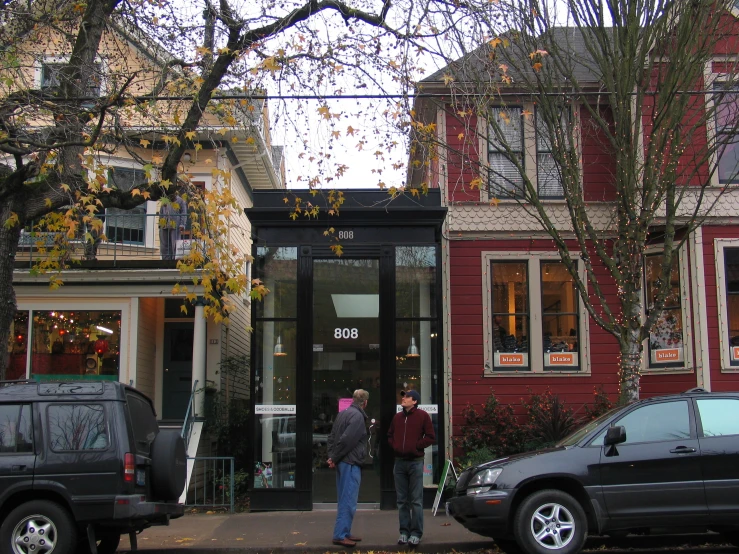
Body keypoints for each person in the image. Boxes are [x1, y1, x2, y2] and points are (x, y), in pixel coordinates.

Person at [387, 389, 436, 547]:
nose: (403, 398)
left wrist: (416, 446)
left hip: (415, 462)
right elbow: (390, 435)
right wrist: (395, 446)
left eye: (407, 396)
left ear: (414, 401)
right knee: (402, 500)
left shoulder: (423, 416)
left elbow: (430, 437)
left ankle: (416, 533)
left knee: (416, 500)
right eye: (403, 396)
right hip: (399, 462)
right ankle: (404, 532)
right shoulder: (397, 417)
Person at [327, 389, 369, 547]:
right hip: (350, 462)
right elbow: (347, 441)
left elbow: (332, 437)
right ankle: (340, 534)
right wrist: (335, 457)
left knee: (344, 497)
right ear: (365, 402)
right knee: (348, 499)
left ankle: (345, 531)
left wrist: (332, 456)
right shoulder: (358, 417)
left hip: (342, 461)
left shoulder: (342, 413)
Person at [158, 194, 188, 260]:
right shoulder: (165, 200)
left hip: (175, 225)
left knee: (174, 244)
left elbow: (184, 213)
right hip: (164, 224)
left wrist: (182, 224)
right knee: (164, 245)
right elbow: (161, 211)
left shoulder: (181, 201)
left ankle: (174, 260)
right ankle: (165, 260)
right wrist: (160, 223)